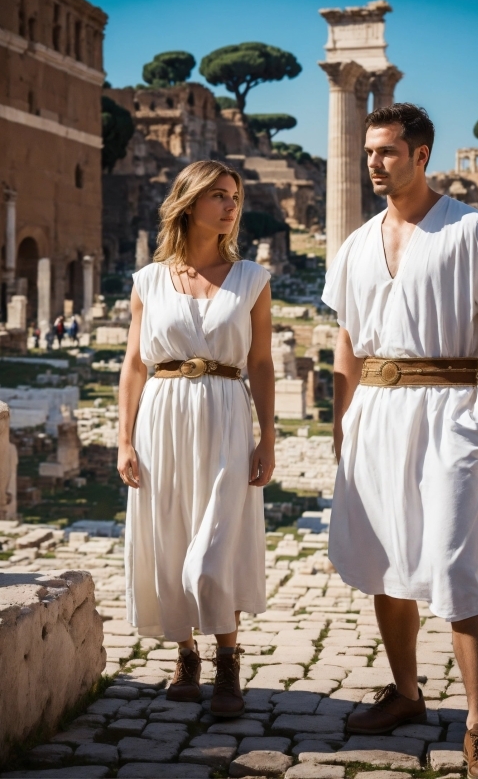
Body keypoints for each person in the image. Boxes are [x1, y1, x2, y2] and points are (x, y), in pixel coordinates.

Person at [322, 103, 478, 779]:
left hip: (449, 412)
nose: (374, 163)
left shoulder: (470, 229)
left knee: (456, 568)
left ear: (421, 153)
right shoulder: (354, 244)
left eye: (387, 152)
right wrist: (339, 422)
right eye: (369, 153)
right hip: (374, 412)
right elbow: (346, 342)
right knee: (386, 559)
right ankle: (407, 695)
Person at [118, 160, 275, 716]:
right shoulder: (147, 280)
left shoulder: (253, 279)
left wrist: (268, 436)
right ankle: (186, 654)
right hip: (161, 415)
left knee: (215, 547)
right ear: (188, 203)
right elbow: (134, 365)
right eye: (220, 196)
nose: (232, 207)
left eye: (235, 197)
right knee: (171, 533)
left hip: (227, 412)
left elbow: (260, 362)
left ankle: (228, 659)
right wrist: (124, 439)